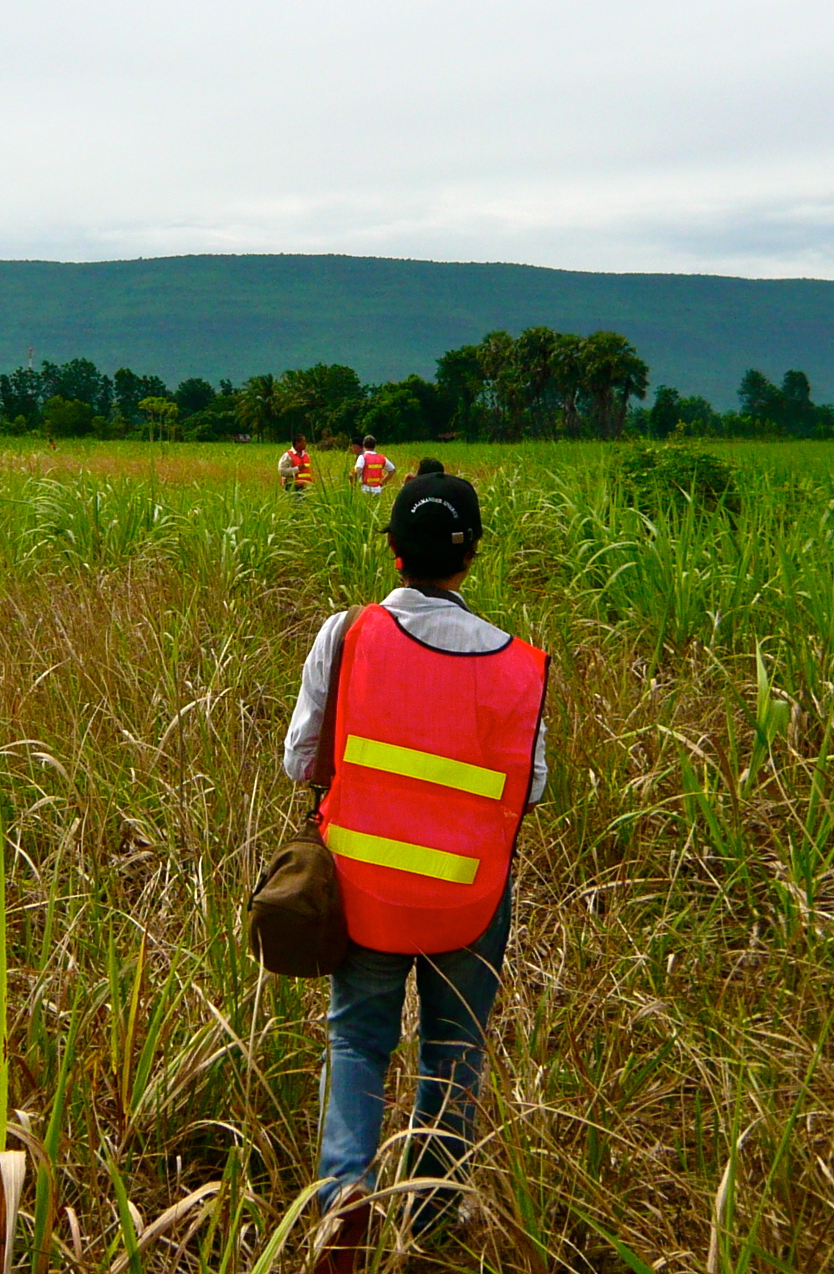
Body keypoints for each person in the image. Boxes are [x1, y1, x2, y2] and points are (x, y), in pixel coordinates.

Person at [281, 461, 549, 1271]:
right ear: (471, 559)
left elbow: (301, 760)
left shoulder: (345, 632)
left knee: (358, 1043)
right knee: (452, 1050)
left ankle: (343, 1199)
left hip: (362, 890)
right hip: (469, 897)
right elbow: (531, 787)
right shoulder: (519, 664)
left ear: (393, 549)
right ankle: (431, 1217)